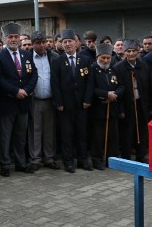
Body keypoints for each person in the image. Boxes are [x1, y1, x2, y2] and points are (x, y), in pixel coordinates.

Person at [0, 23, 38, 176]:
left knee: (21, 135)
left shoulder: (27, 55)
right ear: (5, 38)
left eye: (15, 37)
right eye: (10, 37)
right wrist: (15, 91)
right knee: (5, 136)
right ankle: (5, 164)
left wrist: (26, 90)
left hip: (24, 102)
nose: (13, 39)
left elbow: (33, 74)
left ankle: (20, 163)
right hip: (7, 102)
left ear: (19, 39)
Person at [51, 28, 93, 173]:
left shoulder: (85, 60)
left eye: (70, 41)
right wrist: (59, 103)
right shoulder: (57, 61)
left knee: (82, 133)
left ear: (76, 43)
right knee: (67, 135)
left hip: (82, 105)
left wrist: (88, 99)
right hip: (65, 106)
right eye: (65, 42)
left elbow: (90, 82)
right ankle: (68, 162)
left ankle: (83, 161)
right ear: (61, 44)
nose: (67, 44)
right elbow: (54, 84)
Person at [114, 39, 152, 163]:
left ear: (138, 51)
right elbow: (116, 88)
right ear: (124, 53)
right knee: (127, 131)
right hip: (126, 105)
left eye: (133, 51)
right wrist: (120, 109)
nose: (131, 54)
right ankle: (126, 156)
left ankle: (141, 155)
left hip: (141, 103)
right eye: (128, 51)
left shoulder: (144, 66)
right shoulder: (118, 68)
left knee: (142, 130)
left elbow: (149, 87)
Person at [88, 43, 122, 170]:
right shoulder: (92, 69)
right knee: (97, 136)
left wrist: (115, 94)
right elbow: (91, 88)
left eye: (108, 58)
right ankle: (97, 160)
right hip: (98, 108)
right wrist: (106, 94)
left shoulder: (114, 69)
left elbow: (121, 86)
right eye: (103, 58)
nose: (106, 60)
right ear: (97, 56)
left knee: (113, 136)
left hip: (112, 108)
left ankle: (111, 159)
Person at [28, 31, 58, 170]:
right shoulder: (27, 57)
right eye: (38, 43)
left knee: (49, 130)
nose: (42, 45)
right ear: (33, 44)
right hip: (35, 100)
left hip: (50, 99)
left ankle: (49, 158)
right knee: (35, 129)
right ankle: (36, 158)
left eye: (43, 42)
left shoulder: (53, 57)